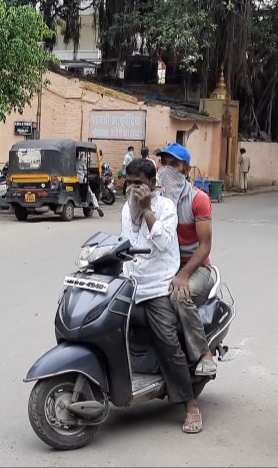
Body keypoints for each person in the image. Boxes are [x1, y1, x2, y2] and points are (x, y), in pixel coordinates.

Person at [120, 158, 202, 434]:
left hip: (157, 287)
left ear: (153, 185)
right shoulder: (125, 208)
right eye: (129, 183)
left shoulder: (166, 208)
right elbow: (125, 243)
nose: (133, 189)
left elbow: (164, 242)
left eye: (139, 184)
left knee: (167, 340)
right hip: (131, 284)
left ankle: (189, 404)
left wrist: (146, 211)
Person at [157, 144, 218, 378]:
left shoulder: (198, 199)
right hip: (164, 265)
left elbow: (205, 246)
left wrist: (183, 275)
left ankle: (204, 354)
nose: (167, 169)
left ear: (186, 169)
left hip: (195, 266)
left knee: (179, 295)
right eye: (164, 163)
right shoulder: (156, 199)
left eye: (174, 164)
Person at [76, 152, 104, 217]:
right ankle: (97, 206)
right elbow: (85, 171)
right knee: (91, 194)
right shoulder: (81, 161)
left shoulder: (71, 162)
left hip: (74, 180)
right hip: (82, 180)